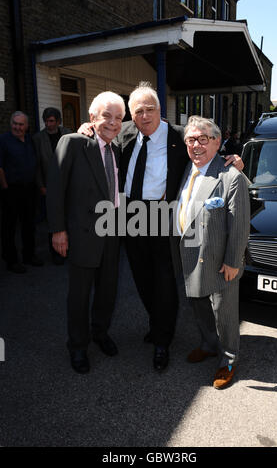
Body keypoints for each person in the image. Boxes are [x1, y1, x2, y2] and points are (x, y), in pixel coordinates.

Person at [78, 81, 243, 372]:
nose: (144, 116)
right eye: (138, 110)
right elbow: (102, 139)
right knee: (141, 278)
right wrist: (85, 129)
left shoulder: (180, 136)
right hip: (129, 215)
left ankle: (162, 342)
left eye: (150, 109)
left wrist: (233, 160)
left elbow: (206, 151)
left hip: (163, 215)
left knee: (165, 281)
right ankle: (157, 324)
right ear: (131, 114)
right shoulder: (125, 132)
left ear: (160, 110)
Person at [46, 92, 125, 373]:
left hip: (113, 232)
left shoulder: (118, 149)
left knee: (107, 291)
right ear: (92, 117)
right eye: (107, 116)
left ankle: (100, 333)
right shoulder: (74, 143)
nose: (113, 123)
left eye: (118, 118)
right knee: (79, 296)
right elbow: (55, 189)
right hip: (82, 234)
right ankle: (78, 346)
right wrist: (58, 230)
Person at [170, 116, 250, 389]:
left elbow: (239, 225)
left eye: (203, 139)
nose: (196, 145)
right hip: (190, 251)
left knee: (224, 312)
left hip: (219, 260)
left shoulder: (231, 176)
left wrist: (233, 262)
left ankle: (228, 360)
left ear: (218, 142)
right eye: (191, 140)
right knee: (198, 304)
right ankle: (207, 343)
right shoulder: (187, 169)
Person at [0, 111, 43, 273]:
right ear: (11, 124)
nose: (17, 127)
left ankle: (29, 255)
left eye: (20, 124)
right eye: (15, 123)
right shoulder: (3, 141)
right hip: (11, 189)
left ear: (26, 126)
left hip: (29, 189)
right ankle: (11, 261)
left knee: (29, 224)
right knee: (9, 227)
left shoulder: (30, 140)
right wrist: (5, 188)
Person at [33, 108, 71, 264]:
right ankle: (56, 253)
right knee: (52, 220)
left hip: (68, 184)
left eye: (52, 121)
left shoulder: (68, 134)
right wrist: (41, 185)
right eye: (46, 121)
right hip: (48, 185)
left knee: (69, 218)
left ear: (58, 121)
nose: (49, 124)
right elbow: (36, 165)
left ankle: (68, 248)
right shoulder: (38, 138)